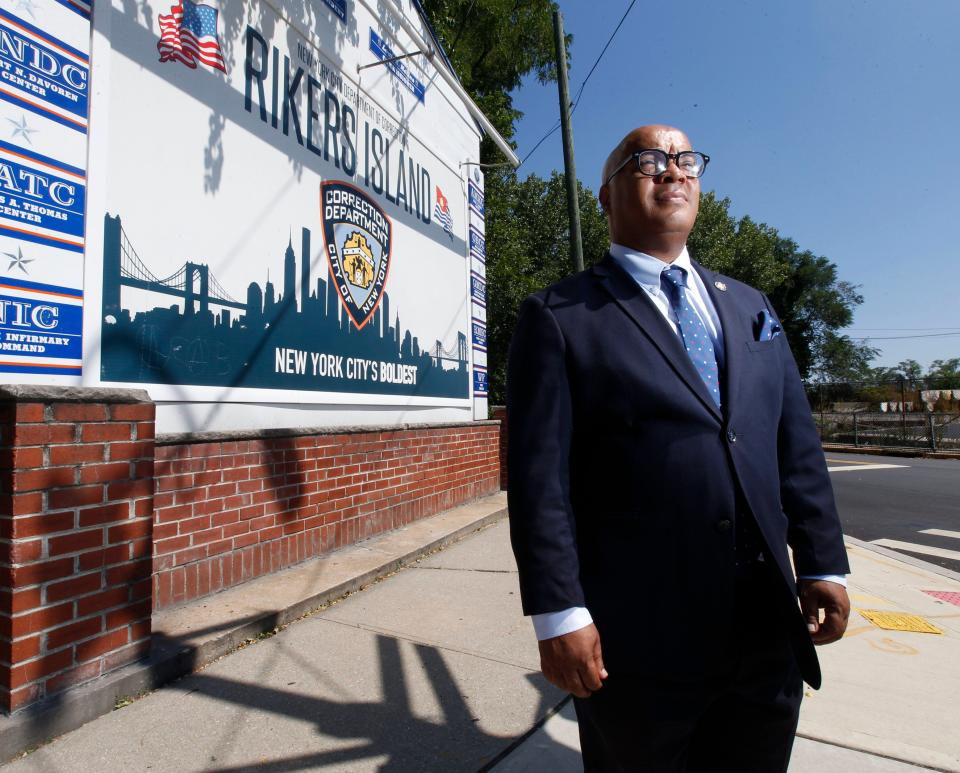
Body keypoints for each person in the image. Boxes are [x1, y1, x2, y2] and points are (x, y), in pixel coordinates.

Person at [506, 125, 851, 772]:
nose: (672, 169)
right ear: (606, 198)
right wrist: (558, 613)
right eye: (647, 159)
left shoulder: (751, 306)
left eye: (685, 158)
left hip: (763, 634)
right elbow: (537, 481)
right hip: (639, 646)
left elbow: (794, 445)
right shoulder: (560, 316)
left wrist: (823, 562)